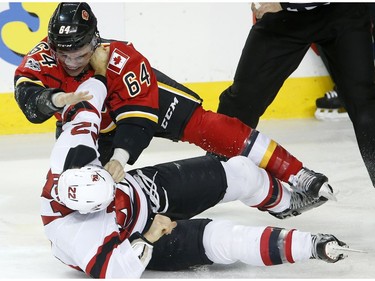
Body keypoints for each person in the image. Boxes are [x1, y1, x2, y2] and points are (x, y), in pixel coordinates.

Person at [14, 2, 335, 213]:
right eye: (63, 52)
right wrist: (51, 100)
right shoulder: (42, 57)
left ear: (95, 40)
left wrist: (121, 158)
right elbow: (28, 99)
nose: (71, 61)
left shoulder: (123, 59)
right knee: (81, 193)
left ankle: (297, 172)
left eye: (80, 52)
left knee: (209, 127)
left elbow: (138, 122)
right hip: (89, 121)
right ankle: (280, 202)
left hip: (139, 102)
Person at [41, 76, 349, 278]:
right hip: (134, 238)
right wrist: (149, 236)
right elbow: (120, 272)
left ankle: (284, 203)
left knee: (239, 171)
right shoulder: (80, 237)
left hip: (140, 190)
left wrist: (91, 83)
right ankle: (313, 247)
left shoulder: (71, 155)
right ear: (91, 211)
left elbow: (88, 102)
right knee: (224, 240)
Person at [217, 2, 375, 187]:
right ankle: (213, 175)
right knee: (242, 101)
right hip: (284, 19)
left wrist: (284, 3)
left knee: (364, 105)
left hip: (341, 12)